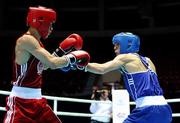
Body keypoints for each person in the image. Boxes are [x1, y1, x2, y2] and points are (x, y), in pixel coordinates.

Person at [3, 6, 90, 123]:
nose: (51, 28)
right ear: (40, 22)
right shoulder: (26, 40)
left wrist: (60, 52)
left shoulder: (38, 44)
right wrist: (72, 58)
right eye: (50, 24)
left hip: (38, 103)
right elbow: (52, 63)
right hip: (20, 103)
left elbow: (45, 66)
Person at [84, 32, 172, 123]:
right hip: (165, 109)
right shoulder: (149, 61)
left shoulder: (125, 57)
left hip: (147, 110)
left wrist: (80, 64)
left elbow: (101, 69)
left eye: (117, 44)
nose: (114, 47)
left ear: (127, 44)